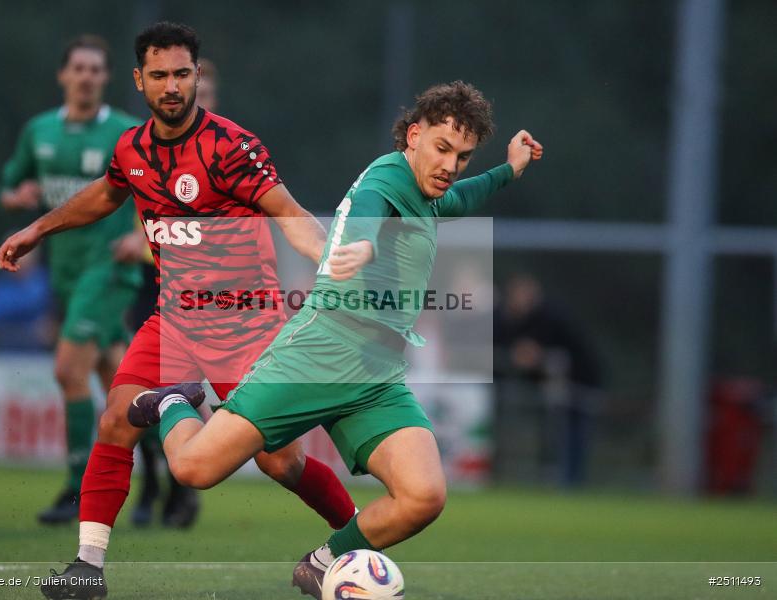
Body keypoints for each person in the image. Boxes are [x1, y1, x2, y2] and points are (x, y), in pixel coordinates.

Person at [127, 81, 543, 598]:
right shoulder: (389, 176)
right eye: (442, 149)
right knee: (193, 468)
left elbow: (460, 196)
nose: (451, 165)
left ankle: (324, 562)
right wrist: (363, 246)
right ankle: (172, 400)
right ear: (413, 136)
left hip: (377, 373)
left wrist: (509, 169)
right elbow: (368, 211)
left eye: (462, 155)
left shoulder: (427, 190)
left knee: (423, 496)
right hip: (321, 353)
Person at [0, 22, 355, 599]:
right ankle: (88, 568)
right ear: (139, 80)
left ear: (196, 77)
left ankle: (358, 535)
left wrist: (326, 255)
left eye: (182, 74)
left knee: (280, 463)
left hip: (248, 325)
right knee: (116, 418)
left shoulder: (230, 146)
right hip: (176, 320)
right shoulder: (131, 148)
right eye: (159, 75)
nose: (171, 86)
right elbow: (106, 193)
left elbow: (287, 211)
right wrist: (38, 227)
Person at [0, 35, 143, 524]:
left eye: (95, 69)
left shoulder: (126, 132)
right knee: (123, 384)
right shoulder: (38, 131)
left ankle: (77, 488)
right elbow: (11, 181)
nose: (86, 76)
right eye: (78, 68)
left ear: (106, 79)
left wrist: (142, 237)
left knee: (67, 371)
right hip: (65, 268)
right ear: (64, 75)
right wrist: (16, 195)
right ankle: (167, 481)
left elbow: (154, 192)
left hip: (108, 269)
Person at [110, 56, 221, 529]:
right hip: (150, 290)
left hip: (205, 298)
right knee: (136, 399)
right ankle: (153, 482)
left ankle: (177, 489)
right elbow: (135, 209)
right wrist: (136, 241)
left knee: (182, 397)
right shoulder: (146, 150)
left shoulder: (227, 151)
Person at [494, 274, 603, 487]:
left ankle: (571, 481)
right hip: (548, 387)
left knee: (574, 432)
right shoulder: (509, 319)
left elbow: (537, 353)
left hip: (579, 384)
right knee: (554, 432)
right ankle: (559, 477)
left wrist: (534, 356)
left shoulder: (550, 317)